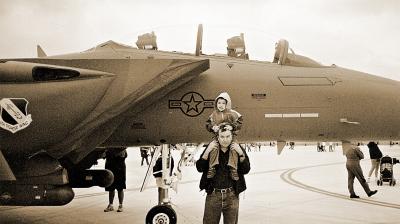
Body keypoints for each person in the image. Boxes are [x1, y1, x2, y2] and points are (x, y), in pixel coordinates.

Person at [196, 123, 250, 224]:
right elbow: (200, 168)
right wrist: (207, 151)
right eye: (222, 137)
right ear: (218, 137)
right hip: (213, 195)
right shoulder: (212, 149)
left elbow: (245, 170)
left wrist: (241, 154)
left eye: (228, 136)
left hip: (232, 196)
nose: (225, 139)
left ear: (232, 136)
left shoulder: (237, 148)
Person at [205, 92, 243, 181]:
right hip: (218, 137)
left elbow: (240, 121)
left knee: (234, 148)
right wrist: (213, 127)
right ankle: (212, 167)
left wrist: (232, 126)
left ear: (227, 104)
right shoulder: (213, 114)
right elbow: (208, 124)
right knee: (214, 148)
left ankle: (233, 168)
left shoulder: (232, 113)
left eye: (223, 103)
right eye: (219, 103)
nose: (221, 105)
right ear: (216, 104)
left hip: (230, 136)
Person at [104, 147, 128, 212]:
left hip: (119, 168)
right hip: (111, 167)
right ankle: (111, 205)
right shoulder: (110, 148)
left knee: (120, 188)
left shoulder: (122, 148)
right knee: (111, 187)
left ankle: (120, 205)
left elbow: (123, 155)